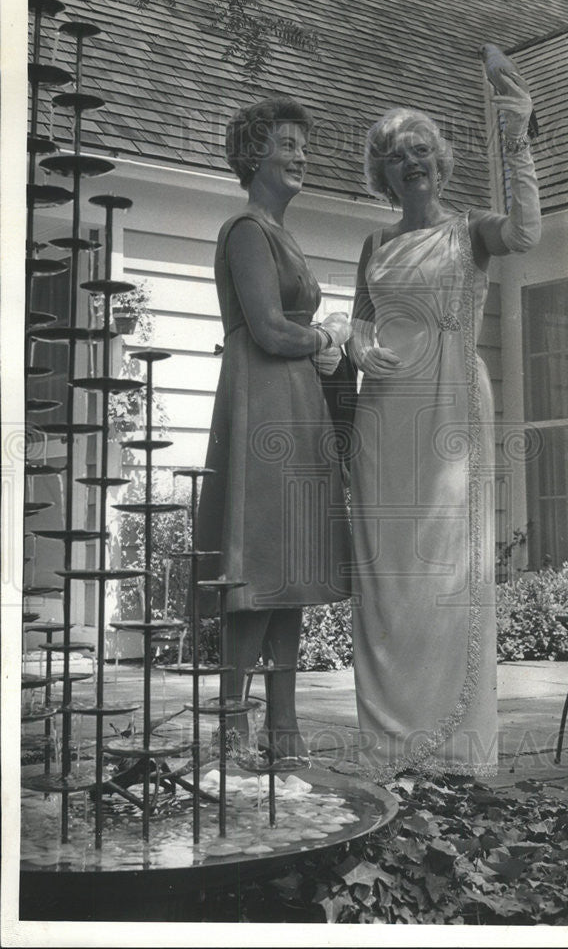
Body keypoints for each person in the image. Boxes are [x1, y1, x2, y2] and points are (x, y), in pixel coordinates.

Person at [349, 77, 541, 779]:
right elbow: (360, 320)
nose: (411, 163)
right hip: (383, 416)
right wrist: (351, 340)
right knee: (388, 583)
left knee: (445, 576)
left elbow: (526, 232)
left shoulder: (471, 232)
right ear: (382, 173)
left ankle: (454, 755)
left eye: (421, 150)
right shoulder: (373, 244)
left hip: (449, 410)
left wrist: (515, 137)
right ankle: (387, 751)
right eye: (397, 156)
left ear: (439, 159)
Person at [195, 95, 352, 760]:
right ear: (253, 153)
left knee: (291, 571)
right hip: (261, 400)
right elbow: (263, 327)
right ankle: (232, 724)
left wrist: (323, 347)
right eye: (285, 144)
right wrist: (322, 334)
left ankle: (284, 728)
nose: (299, 156)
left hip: (298, 402)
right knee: (256, 567)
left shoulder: (282, 232)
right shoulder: (246, 230)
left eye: (302, 145)